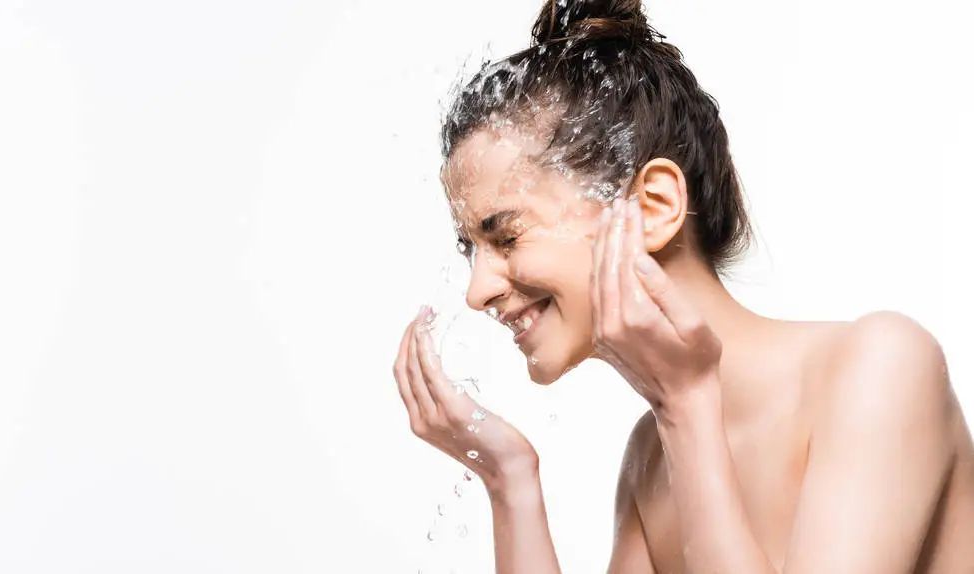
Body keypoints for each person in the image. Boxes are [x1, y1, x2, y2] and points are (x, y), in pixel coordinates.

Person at [391, 0, 974, 571]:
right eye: (471, 249)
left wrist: (687, 408)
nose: (476, 291)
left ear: (654, 207)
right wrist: (509, 482)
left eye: (507, 236)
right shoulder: (650, 458)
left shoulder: (881, 365)